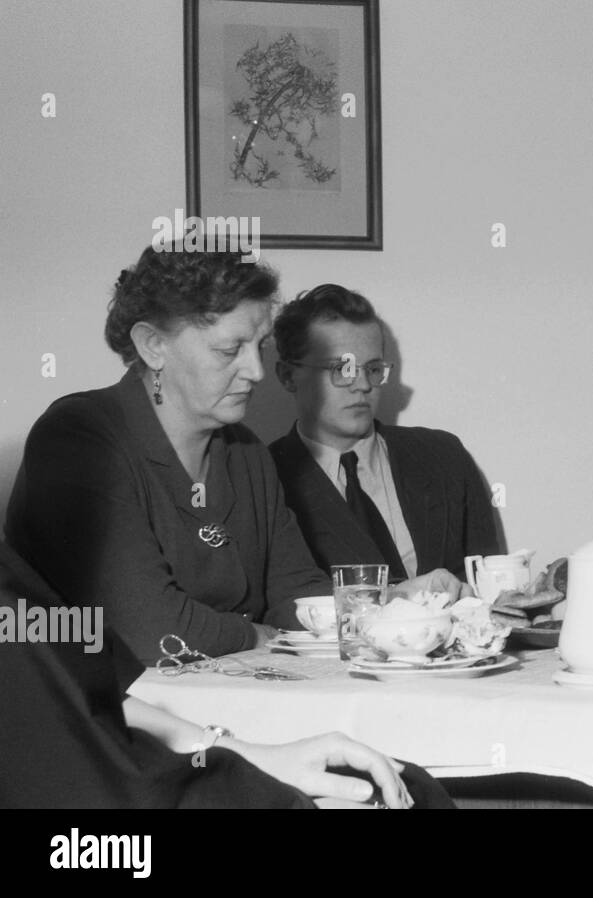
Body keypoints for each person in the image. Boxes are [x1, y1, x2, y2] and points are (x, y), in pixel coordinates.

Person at [5, 247, 332, 661]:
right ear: (153, 345)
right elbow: (152, 631)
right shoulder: (76, 439)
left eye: (260, 346)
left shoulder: (246, 451)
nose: (256, 371)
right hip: (98, 712)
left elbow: (300, 595)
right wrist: (255, 635)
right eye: (230, 350)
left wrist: (379, 612)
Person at [0, 540, 451, 808]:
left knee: (405, 786)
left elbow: (101, 694)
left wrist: (248, 755)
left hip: (149, 777)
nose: (256, 373)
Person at [270, 285, 501, 596]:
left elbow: (491, 584)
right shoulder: (266, 478)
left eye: (374, 369)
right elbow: (279, 605)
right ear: (288, 376)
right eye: (342, 369)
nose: (363, 385)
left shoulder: (443, 455)